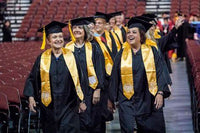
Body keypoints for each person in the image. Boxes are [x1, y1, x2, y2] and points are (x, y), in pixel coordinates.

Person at [109, 17, 171, 133]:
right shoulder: (122, 53)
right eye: (128, 32)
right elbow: (114, 77)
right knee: (128, 128)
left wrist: (160, 92)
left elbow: (160, 71)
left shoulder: (152, 51)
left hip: (148, 99)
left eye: (134, 32)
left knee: (151, 128)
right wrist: (111, 99)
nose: (130, 35)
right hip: (127, 100)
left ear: (141, 35)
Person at [23, 21, 86, 133]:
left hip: (69, 105)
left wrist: (82, 100)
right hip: (49, 108)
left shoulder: (72, 57)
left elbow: (81, 79)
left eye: (60, 36)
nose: (58, 39)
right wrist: (31, 97)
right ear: (48, 41)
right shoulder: (42, 59)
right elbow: (33, 78)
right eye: (55, 37)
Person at [65, 17, 105, 133]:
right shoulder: (67, 49)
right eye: (75, 28)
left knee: (93, 120)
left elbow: (100, 69)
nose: (77, 30)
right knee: (78, 121)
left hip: (91, 90)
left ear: (85, 30)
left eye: (80, 28)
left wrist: (98, 89)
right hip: (75, 91)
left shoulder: (94, 48)